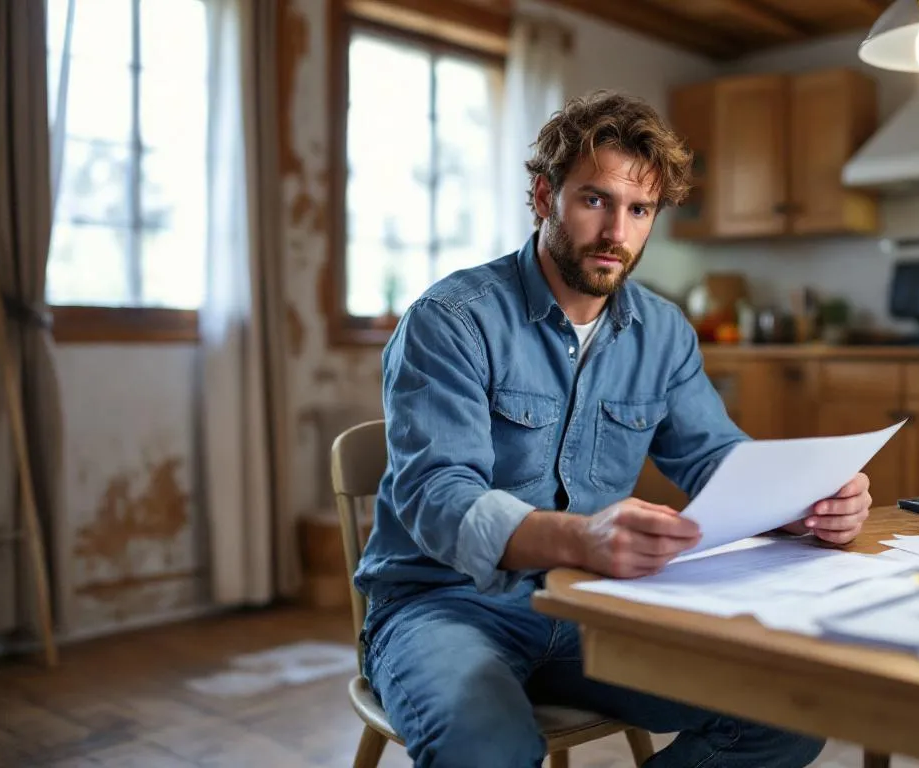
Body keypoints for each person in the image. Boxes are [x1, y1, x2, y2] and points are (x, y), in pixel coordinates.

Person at [354, 90, 873, 768]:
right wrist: (582, 538)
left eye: (640, 209)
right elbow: (438, 496)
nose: (617, 234)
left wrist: (803, 501)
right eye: (594, 200)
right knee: (486, 749)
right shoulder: (452, 319)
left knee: (786, 713)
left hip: (593, 611)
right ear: (543, 196)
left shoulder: (662, 332)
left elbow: (716, 458)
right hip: (443, 606)